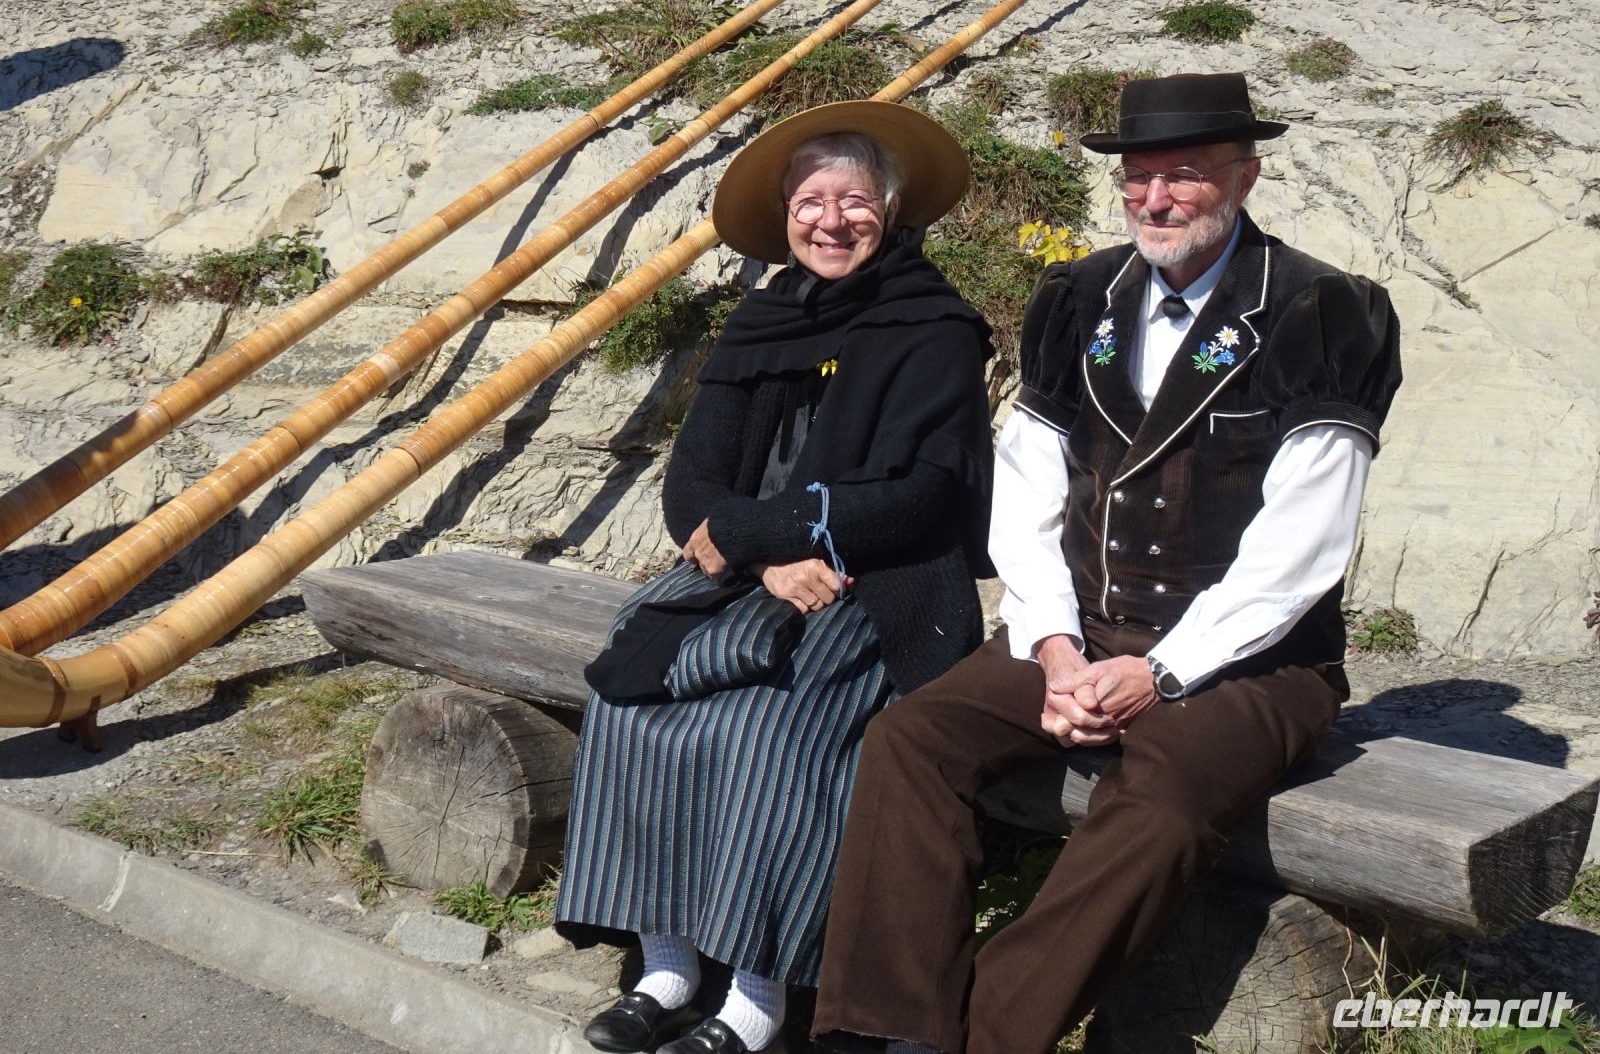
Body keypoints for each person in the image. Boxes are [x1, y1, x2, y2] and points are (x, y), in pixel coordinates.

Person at [811, 72, 1404, 1054]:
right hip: (1079, 632)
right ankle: (884, 1028)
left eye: (1184, 175)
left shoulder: (1322, 311)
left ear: (1245, 176)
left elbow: (1302, 544)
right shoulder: (1080, 295)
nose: (1155, 200)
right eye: (1138, 178)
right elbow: (1026, 486)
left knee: (1162, 802)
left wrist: (1158, 673)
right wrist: (1053, 646)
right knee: (912, 739)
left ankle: (991, 1036)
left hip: (1251, 663)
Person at [555, 99, 996, 1054]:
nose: (831, 221)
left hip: (874, 587)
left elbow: (919, 498)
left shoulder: (935, 328)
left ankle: (756, 1000)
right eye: (810, 202)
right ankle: (668, 968)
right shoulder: (762, 320)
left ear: (891, 210)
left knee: (769, 735)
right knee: (629, 698)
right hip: (754, 573)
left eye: (854, 200)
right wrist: (763, 557)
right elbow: (691, 486)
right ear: (786, 216)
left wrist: (759, 532)